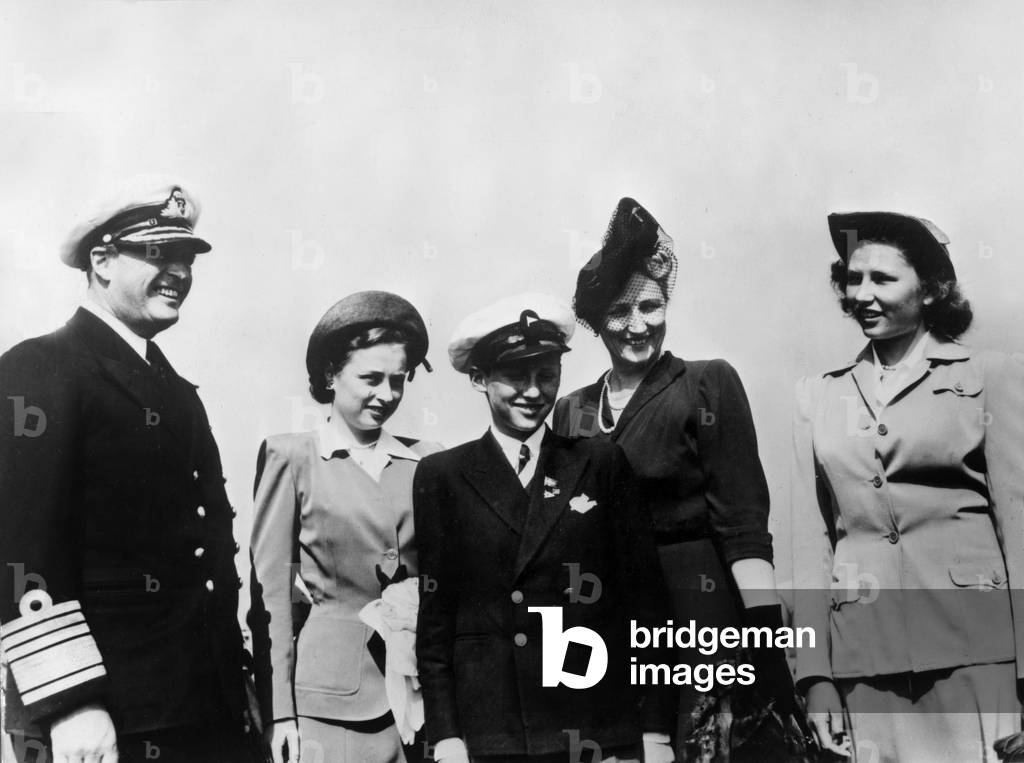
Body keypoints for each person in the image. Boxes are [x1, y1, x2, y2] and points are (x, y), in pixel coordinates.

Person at [0, 177, 253, 762]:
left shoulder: (178, 393)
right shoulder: (40, 369)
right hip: (105, 713)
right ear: (102, 260)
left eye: (187, 258)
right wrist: (69, 704)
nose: (179, 273)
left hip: (200, 705)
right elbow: (21, 554)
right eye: (158, 253)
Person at [553, 198, 795, 760]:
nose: (637, 325)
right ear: (595, 322)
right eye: (619, 311)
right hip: (607, 620)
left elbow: (743, 526)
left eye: (651, 305)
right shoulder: (571, 411)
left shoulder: (708, 385)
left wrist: (766, 642)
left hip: (699, 612)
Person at [791, 211, 1024, 762]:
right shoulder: (818, 397)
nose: (863, 294)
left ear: (930, 289)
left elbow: (1019, 525)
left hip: (979, 652)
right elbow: (809, 546)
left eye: (883, 279)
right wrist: (815, 677)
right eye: (853, 279)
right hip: (863, 662)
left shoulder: (989, 376)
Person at [415, 293, 675, 763]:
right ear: (479, 379)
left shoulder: (600, 463)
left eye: (546, 375)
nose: (533, 392)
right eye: (516, 376)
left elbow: (647, 607)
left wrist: (655, 731)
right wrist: (446, 734)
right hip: (492, 734)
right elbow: (436, 621)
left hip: (593, 725)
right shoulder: (442, 477)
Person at [247, 291, 442, 763]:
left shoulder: (430, 460)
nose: (387, 395)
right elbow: (271, 595)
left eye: (398, 380)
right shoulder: (291, 457)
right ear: (331, 375)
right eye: (370, 379)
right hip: (326, 706)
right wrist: (280, 715)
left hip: (419, 698)